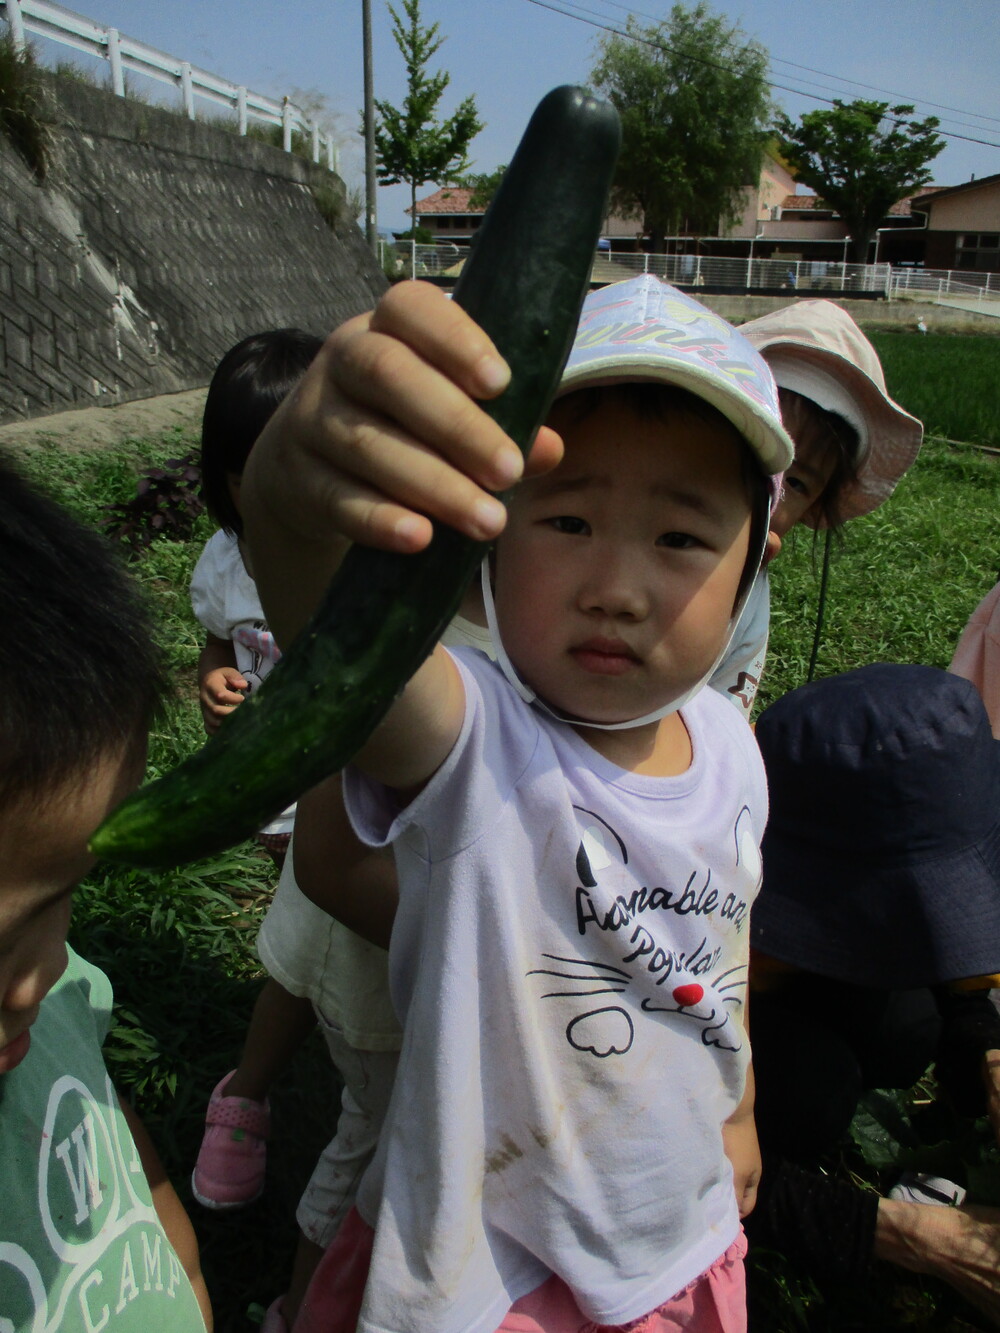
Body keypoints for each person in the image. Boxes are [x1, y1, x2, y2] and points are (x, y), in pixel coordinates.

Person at [242, 274, 796, 1333]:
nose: (616, 587)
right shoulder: (476, 738)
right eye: (570, 520)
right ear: (485, 539)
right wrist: (286, 505)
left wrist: (740, 1108)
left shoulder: (733, 746)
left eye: (680, 539)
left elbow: (718, 949)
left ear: (751, 562)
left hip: (675, 1231)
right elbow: (346, 651)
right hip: (495, 1271)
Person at [0, 457, 211, 1329]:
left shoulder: (48, 1007)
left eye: (64, 899)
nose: (41, 974)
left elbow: (109, 1139)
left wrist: (190, 1282)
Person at [745, 663, 1000, 1324]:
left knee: (908, 1026)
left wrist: (984, 1046)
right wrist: (915, 1237)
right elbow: (653, 1163)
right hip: (723, 1013)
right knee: (810, 1093)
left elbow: (944, 935)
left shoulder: (854, 851)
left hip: (787, 965)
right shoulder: (670, 933)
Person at [710, 298, 923, 716]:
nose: (768, 491)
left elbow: (725, 713)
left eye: (796, 482)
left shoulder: (750, 594)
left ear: (814, 508)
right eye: (757, 455)